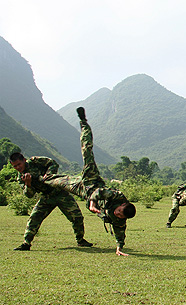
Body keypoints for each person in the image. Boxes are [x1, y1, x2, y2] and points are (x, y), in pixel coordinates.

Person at [41, 107, 136, 256]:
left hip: (82, 190)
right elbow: (98, 193)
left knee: (52, 182)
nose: (117, 215)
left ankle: (41, 176)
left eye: (119, 216)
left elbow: (120, 234)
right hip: (92, 182)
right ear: (122, 205)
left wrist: (119, 249)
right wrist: (92, 203)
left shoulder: (121, 218)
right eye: (118, 212)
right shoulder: (117, 196)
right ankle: (83, 122)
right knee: (87, 151)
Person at [9, 153, 93, 251]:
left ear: (24, 160)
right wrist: (28, 184)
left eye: (19, 164)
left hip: (60, 192)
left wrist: (48, 176)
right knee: (34, 218)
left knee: (77, 217)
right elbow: (29, 195)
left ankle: (80, 240)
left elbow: (53, 163)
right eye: (15, 166)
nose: (18, 167)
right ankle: (26, 243)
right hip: (46, 196)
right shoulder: (21, 178)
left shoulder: (35, 161)